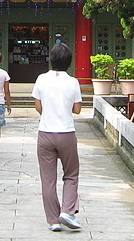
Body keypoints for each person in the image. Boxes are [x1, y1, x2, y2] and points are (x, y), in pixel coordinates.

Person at [31, 42, 83, 232]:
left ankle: (53, 220)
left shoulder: (41, 79)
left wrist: (49, 112)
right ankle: (67, 211)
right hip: (67, 133)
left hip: (45, 133)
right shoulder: (73, 82)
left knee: (48, 178)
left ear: (51, 59)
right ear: (69, 62)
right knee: (71, 174)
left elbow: (38, 106)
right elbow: (77, 110)